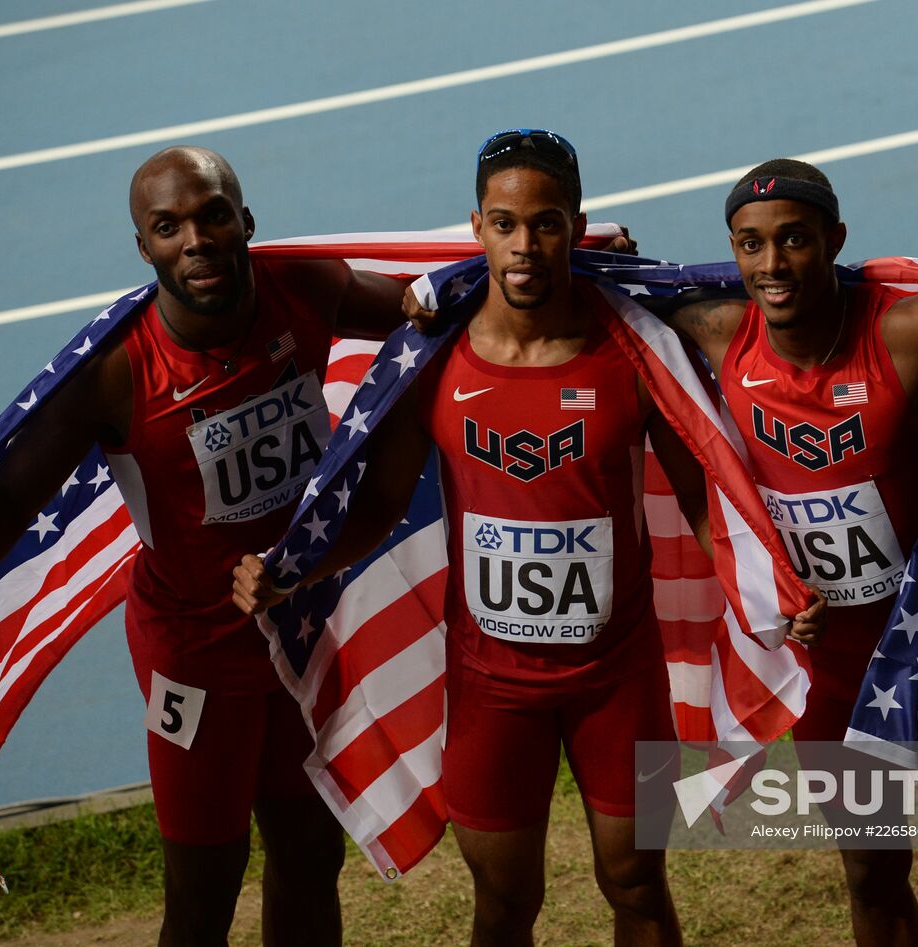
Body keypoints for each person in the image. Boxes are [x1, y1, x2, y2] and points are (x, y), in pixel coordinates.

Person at [233, 128, 821, 946]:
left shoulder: (633, 351)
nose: (524, 244)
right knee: (505, 903)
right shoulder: (434, 359)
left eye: (544, 223)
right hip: (491, 686)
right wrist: (293, 570)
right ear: (476, 228)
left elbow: (702, 501)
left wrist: (767, 595)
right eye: (504, 223)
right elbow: (377, 507)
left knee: (636, 882)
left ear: (576, 230)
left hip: (618, 675)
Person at [0, 146, 414, 947]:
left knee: (309, 851)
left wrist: (560, 270)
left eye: (212, 215)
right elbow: (11, 498)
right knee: (204, 892)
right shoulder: (115, 373)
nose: (195, 239)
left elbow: (427, 310)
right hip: (195, 653)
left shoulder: (306, 286)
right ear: (145, 248)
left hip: (295, 627)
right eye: (167, 227)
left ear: (246, 222)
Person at [651, 159, 918, 947]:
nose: (773, 265)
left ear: (834, 239)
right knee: (869, 871)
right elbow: (585, 300)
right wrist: (758, 581)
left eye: (794, 240)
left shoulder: (908, 330)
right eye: (751, 245)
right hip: (829, 666)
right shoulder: (718, 332)